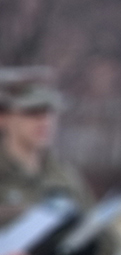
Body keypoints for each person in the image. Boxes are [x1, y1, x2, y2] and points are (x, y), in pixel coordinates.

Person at [0, 71, 114, 255]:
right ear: (4, 117)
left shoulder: (64, 176)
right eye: (32, 112)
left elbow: (108, 244)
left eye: (49, 112)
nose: (44, 121)